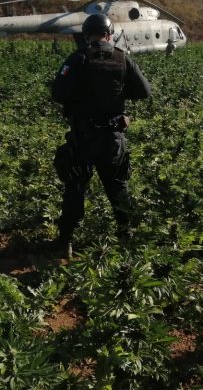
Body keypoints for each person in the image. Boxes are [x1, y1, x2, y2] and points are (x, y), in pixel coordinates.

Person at [49, 13, 151, 258]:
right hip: (113, 137)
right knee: (117, 187)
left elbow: (58, 93)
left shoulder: (78, 58)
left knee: (75, 186)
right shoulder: (122, 58)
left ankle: (65, 243)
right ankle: (127, 238)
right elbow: (144, 91)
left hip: (84, 136)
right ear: (110, 33)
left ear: (86, 35)